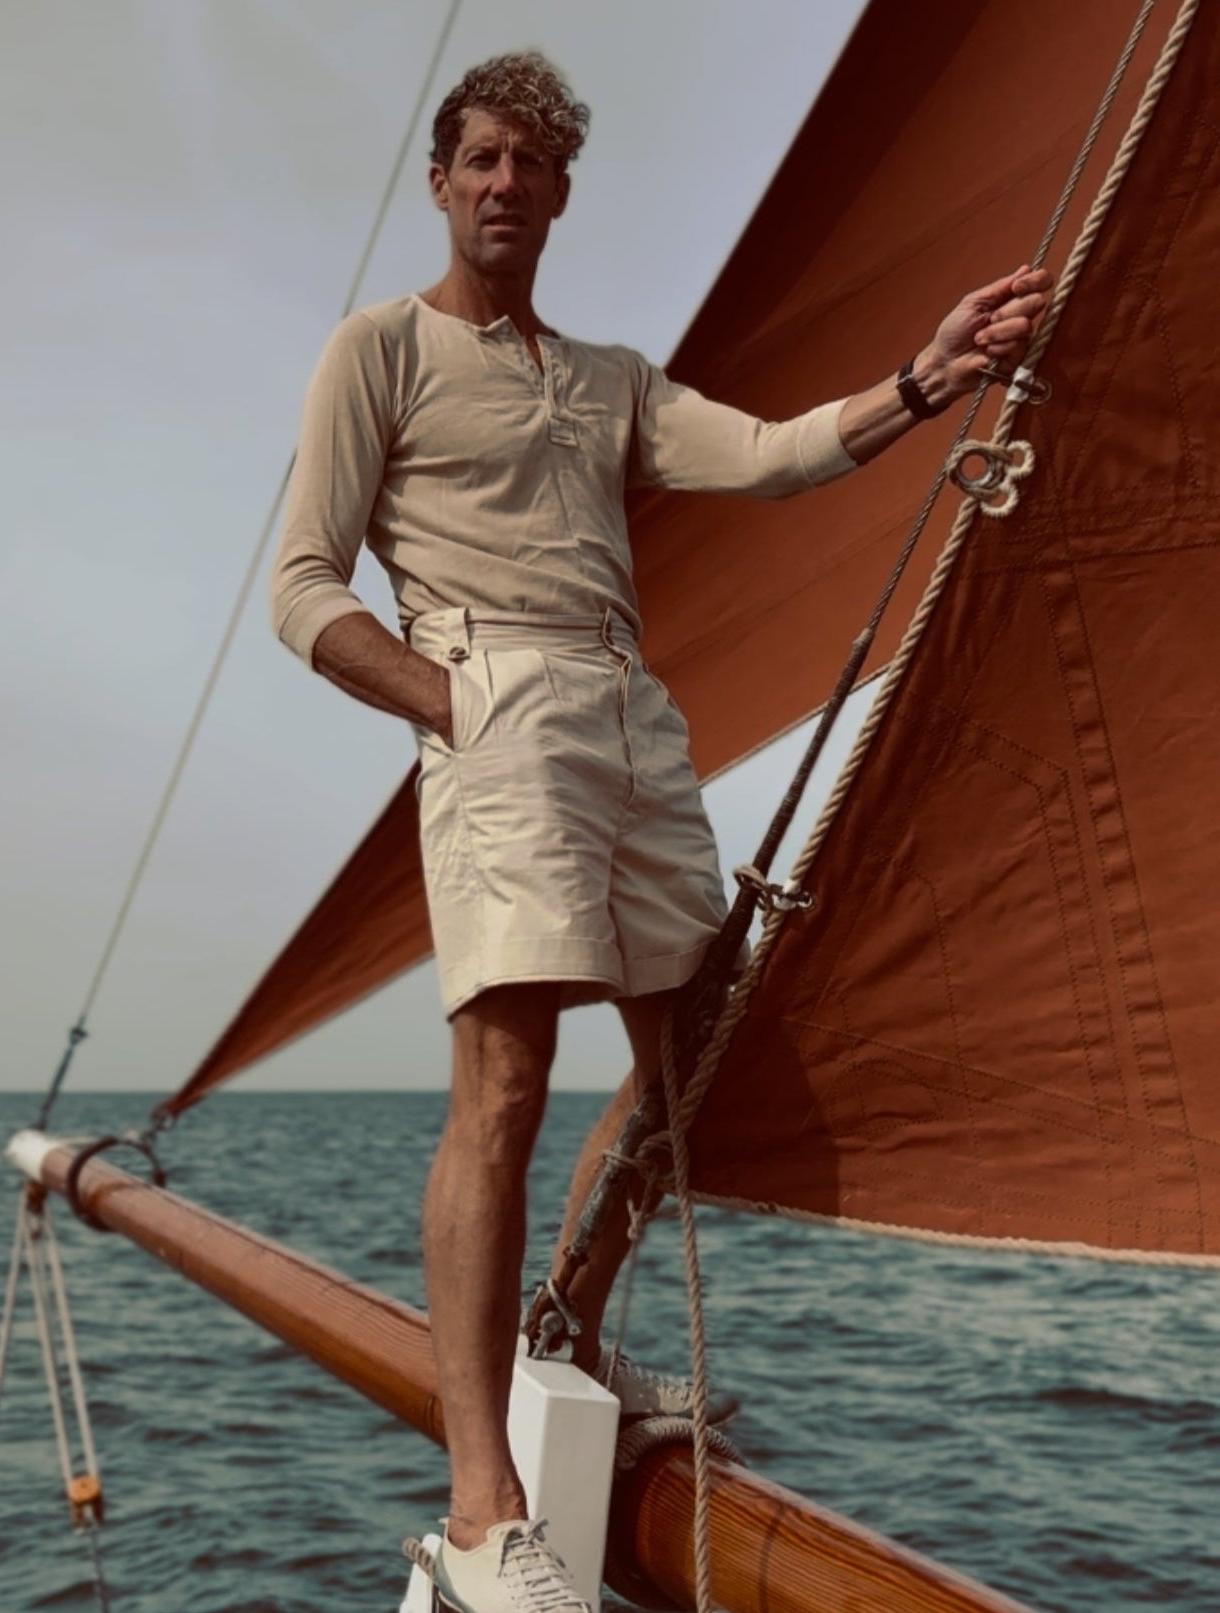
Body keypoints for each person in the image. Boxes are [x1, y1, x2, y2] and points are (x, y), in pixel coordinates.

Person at [269, 49, 1051, 1613]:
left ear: (560, 191)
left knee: (689, 1054)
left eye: (530, 163)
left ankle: (566, 1322)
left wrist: (928, 373)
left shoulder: (611, 378)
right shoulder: (379, 350)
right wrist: (451, 701)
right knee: (503, 1077)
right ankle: (482, 1500)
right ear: (441, 181)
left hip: (631, 717)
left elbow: (767, 455)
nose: (503, 183)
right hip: (495, 706)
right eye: (480, 159)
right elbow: (301, 586)